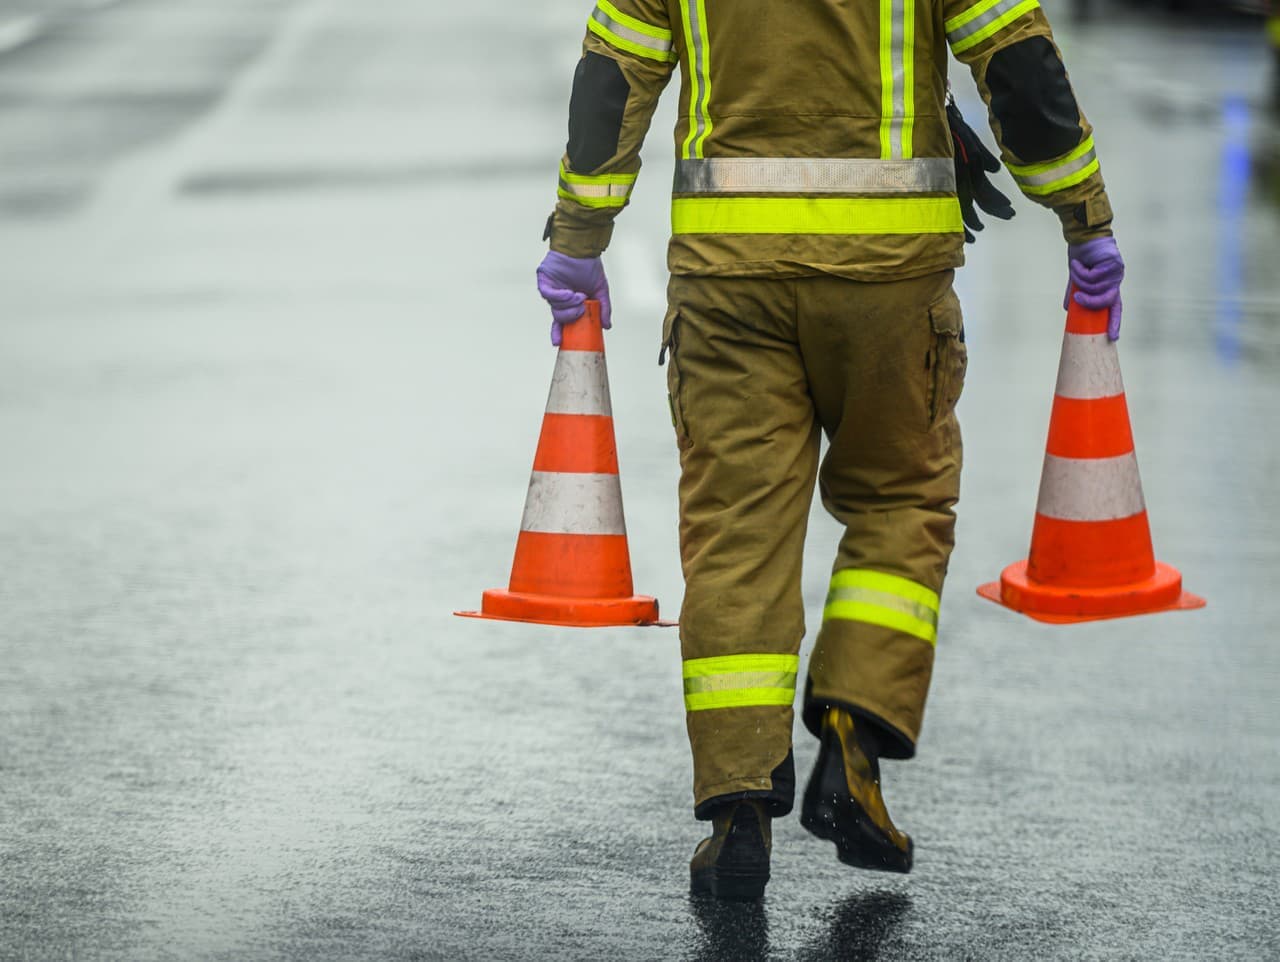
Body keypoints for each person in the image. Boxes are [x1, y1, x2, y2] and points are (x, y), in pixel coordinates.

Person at [536, 0, 1124, 900]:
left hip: (728, 280)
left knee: (736, 532)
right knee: (900, 501)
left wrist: (580, 236)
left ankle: (738, 812)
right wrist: (1085, 218)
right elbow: (1015, 61)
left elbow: (615, 81)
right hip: (889, 280)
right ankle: (854, 725)